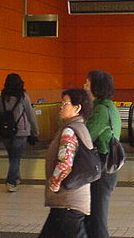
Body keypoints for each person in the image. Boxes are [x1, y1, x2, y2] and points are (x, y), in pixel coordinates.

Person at [39, 88, 94, 238]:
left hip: (68, 201)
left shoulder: (70, 131)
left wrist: (54, 184)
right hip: (69, 200)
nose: (61, 107)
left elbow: (65, 163)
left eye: (65, 104)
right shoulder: (81, 127)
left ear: (77, 108)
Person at [84, 70, 121, 238]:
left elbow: (87, 136)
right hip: (107, 168)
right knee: (94, 216)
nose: (84, 86)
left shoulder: (100, 110)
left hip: (102, 168)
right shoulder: (109, 106)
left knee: (97, 218)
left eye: (87, 83)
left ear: (96, 87)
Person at [0, 73, 39, 192]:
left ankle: (16, 178)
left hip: (5, 131)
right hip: (21, 131)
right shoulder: (23, 96)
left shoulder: (3, 97)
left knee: (12, 156)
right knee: (16, 157)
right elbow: (31, 114)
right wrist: (35, 131)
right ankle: (11, 182)